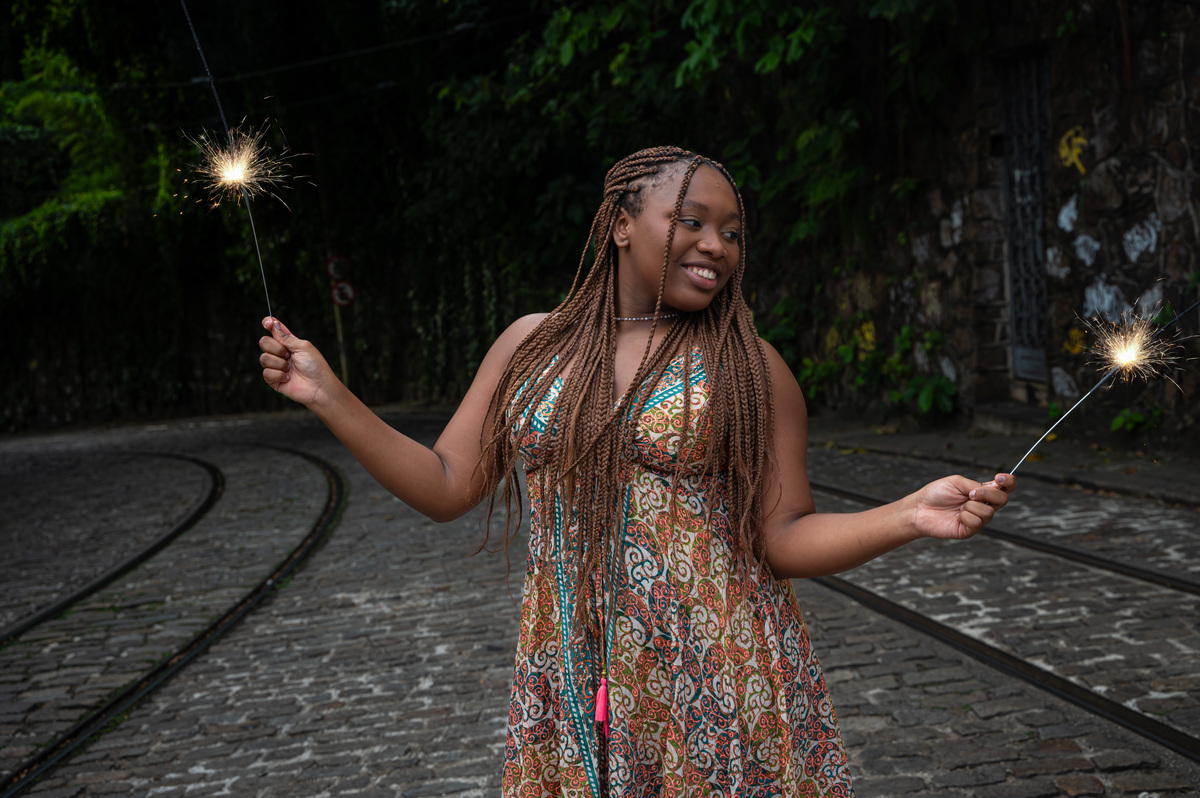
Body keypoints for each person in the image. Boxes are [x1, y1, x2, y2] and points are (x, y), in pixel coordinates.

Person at [258, 145, 1015, 797]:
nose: (716, 245)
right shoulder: (532, 344)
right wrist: (329, 396)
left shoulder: (750, 368)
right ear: (622, 223)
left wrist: (908, 515)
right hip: (569, 664)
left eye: (732, 232)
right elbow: (448, 484)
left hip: (714, 676)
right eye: (692, 221)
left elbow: (783, 536)